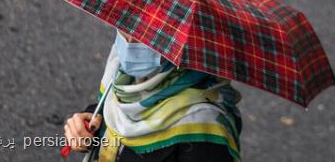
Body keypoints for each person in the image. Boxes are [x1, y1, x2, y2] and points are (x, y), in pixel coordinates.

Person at [64, 30, 242, 162]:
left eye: (148, 32)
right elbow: (114, 116)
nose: (131, 41)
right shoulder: (120, 73)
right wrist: (85, 125)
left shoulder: (204, 129)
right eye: (127, 23)